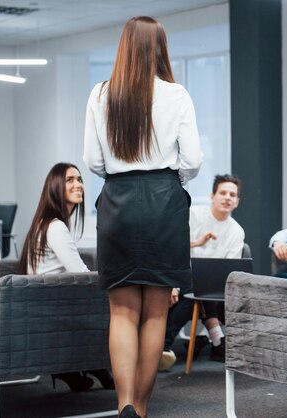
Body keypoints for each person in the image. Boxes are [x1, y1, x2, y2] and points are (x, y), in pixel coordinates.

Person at [83, 16, 203, 418]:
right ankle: (144, 407)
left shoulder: (100, 94)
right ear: (159, 48)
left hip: (116, 199)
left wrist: (124, 175)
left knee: (121, 311)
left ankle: (124, 405)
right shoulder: (176, 94)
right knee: (155, 312)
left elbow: (93, 162)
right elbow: (193, 160)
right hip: (163, 200)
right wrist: (168, 179)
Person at [19, 162, 114, 392]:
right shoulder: (56, 227)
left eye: (80, 179)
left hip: (45, 304)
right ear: (55, 187)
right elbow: (80, 274)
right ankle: (100, 365)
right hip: (53, 309)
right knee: (118, 303)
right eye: (70, 180)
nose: (78, 184)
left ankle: (81, 368)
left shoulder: (45, 224)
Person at [161, 174, 244, 368]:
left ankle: (162, 346)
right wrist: (170, 284)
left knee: (198, 289)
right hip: (181, 276)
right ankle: (217, 340)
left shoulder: (236, 231)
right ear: (212, 196)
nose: (227, 197)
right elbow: (173, 246)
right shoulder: (194, 215)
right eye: (223, 193)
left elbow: (229, 271)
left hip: (211, 285)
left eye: (232, 195)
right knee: (195, 284)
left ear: (237, 202)